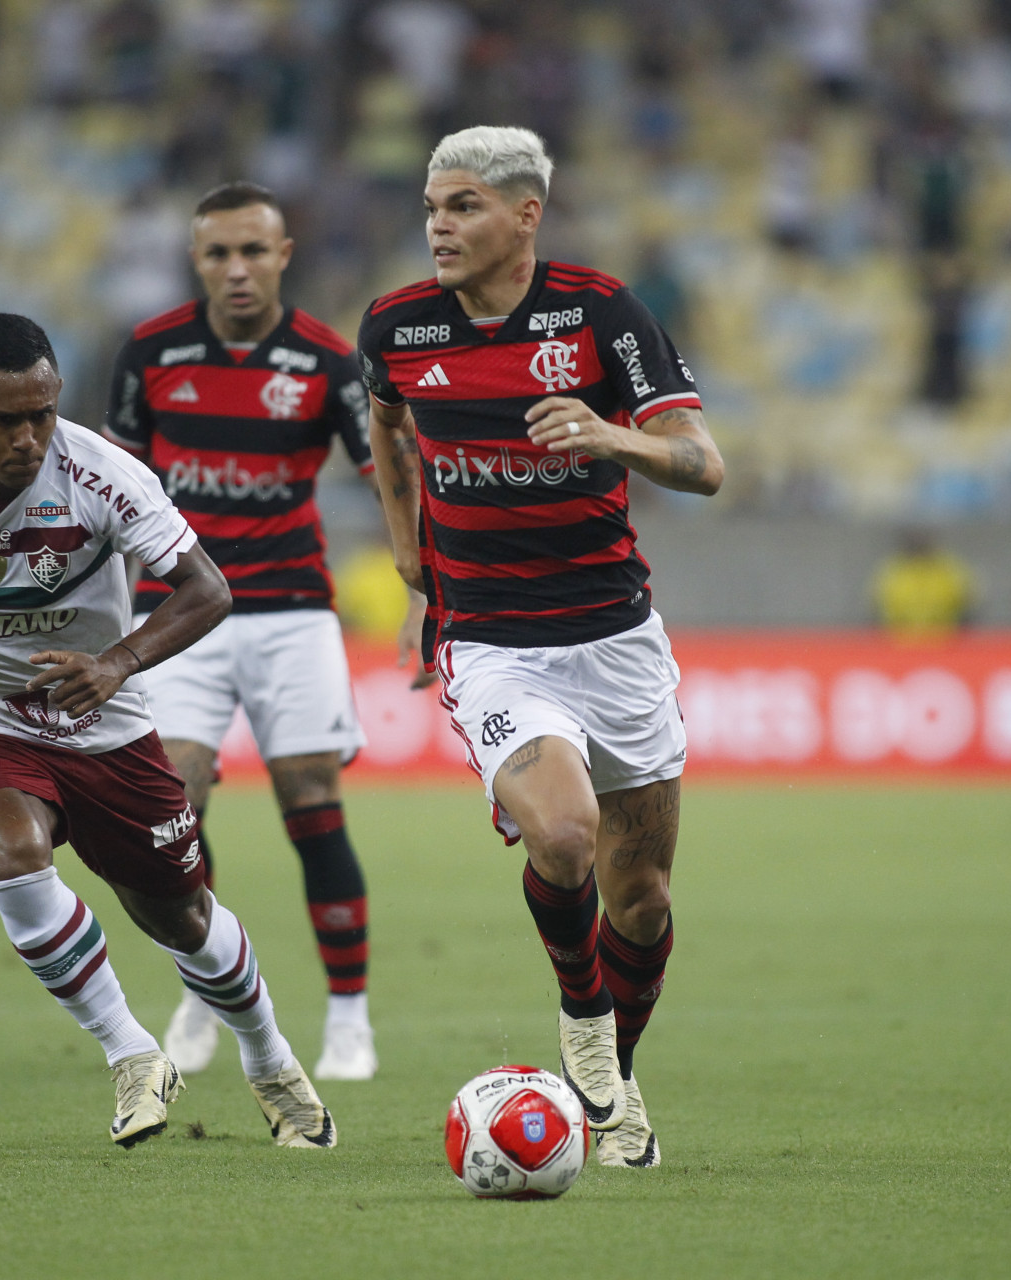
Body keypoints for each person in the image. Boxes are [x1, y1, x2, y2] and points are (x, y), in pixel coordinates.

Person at [0, 313, 335, 1149]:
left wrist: (116, 663)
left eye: (42, 413)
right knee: (7, 853)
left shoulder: (104, 476)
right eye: (3, 419)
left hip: (103, 728)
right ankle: (131, 1052)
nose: (28, 437)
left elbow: (207, 589)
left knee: (180, 918)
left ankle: (269, 1057)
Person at [358, 126, 725, 1169]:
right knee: (562, 837)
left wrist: (617, 438)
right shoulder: (396, 325)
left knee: (641, 897)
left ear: (527, 215)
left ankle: (605, 1085)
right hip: (493, 643)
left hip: (615, 638)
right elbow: (385, 428)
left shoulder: (602, 313)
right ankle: (584, 1027)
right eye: (433, 205)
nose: (439, 223)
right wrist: (411, 562)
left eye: (464, 205)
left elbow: (703, 463)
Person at [103, 181, 382, 1082]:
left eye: (253, 251)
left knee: (311, 801)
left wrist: (426, 584)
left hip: (292, 607)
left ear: (283, 256)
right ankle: (203, 989)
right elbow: (114, 494)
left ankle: (349, 1018)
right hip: (178, 609)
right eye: (218, 253)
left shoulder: (327, 362)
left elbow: (390, 476)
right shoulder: (149, 352)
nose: (236, 269)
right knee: (173, 799)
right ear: (196, 259)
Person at [871, 527, 976, 639]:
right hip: (899, 643)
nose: (919, 542)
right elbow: (877, 611)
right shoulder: (891, 572)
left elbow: (968, 607)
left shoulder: (951, 570)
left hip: (946, 642)